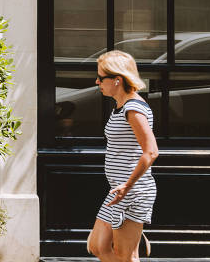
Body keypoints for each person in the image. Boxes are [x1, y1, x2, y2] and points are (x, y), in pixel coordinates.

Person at [87, 50, 158, 262]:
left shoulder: (133, 109)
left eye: (101, 77)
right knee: (97, 246)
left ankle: (134, 239)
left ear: (117, 80)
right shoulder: (120, 107)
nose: (97, 81)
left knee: (125, 256)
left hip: (132, 191)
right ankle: (136, 237)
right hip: (119, 191)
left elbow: (151, 151)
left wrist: (127, 186)